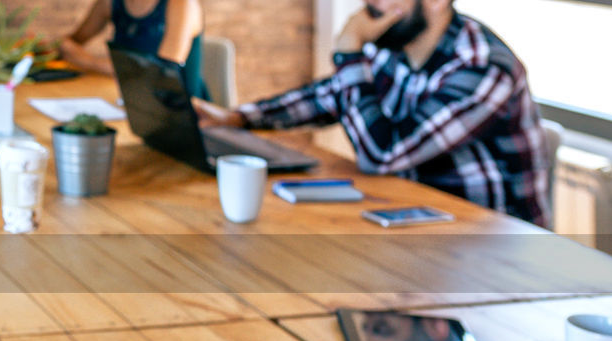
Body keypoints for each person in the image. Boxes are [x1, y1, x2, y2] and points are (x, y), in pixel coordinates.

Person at [195, 0, 550, 226]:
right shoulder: (395, 47)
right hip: (415, 226)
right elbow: (328, 96)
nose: (369, 6)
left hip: (492, 248)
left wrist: (349, 51)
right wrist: (236, 118)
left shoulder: (483, 66)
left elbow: (383, 155)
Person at [60, 0, 209, 100]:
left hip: (182, 113)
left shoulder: (182, 4)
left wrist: (89, 61)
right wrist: (59, 46)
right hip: (133, 101)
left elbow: (162, 71)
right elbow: (72, 43)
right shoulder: (112, 3)